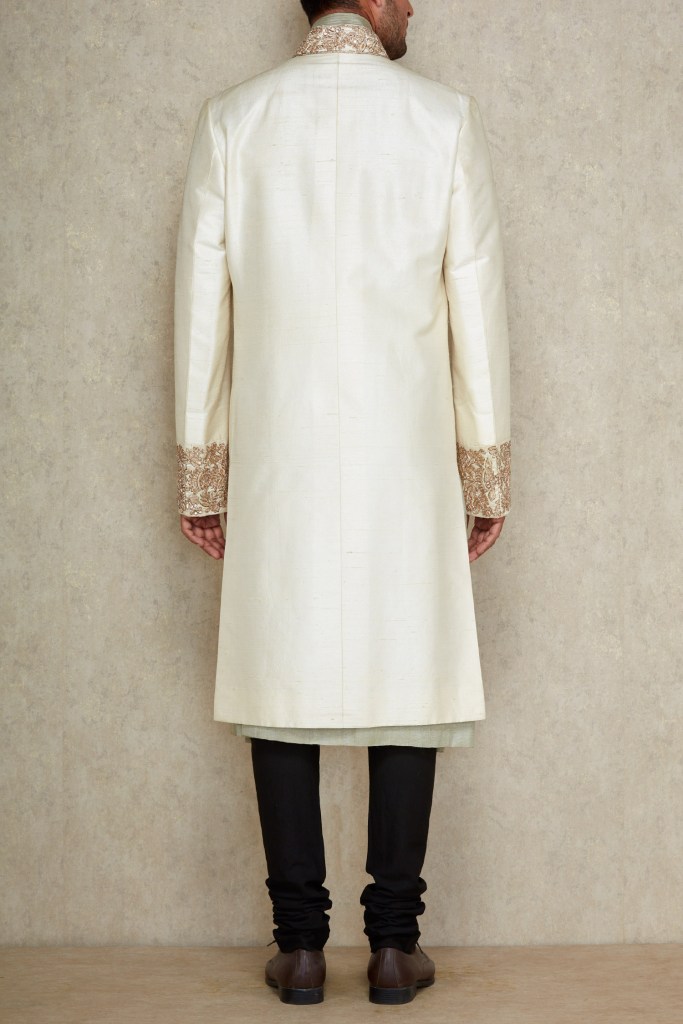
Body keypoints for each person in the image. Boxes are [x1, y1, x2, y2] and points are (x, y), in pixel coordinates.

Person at [173, 0, 511, 1006]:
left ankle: (301, 949)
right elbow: (474, 303)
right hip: (407, 455)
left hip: (276, 453)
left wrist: (202, 469)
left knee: (280, 677)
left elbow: (201, 312)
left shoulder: (235, 119)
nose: (412, 6)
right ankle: (395, 947)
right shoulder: (441, 118)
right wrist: (484, 470)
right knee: (409, 674)